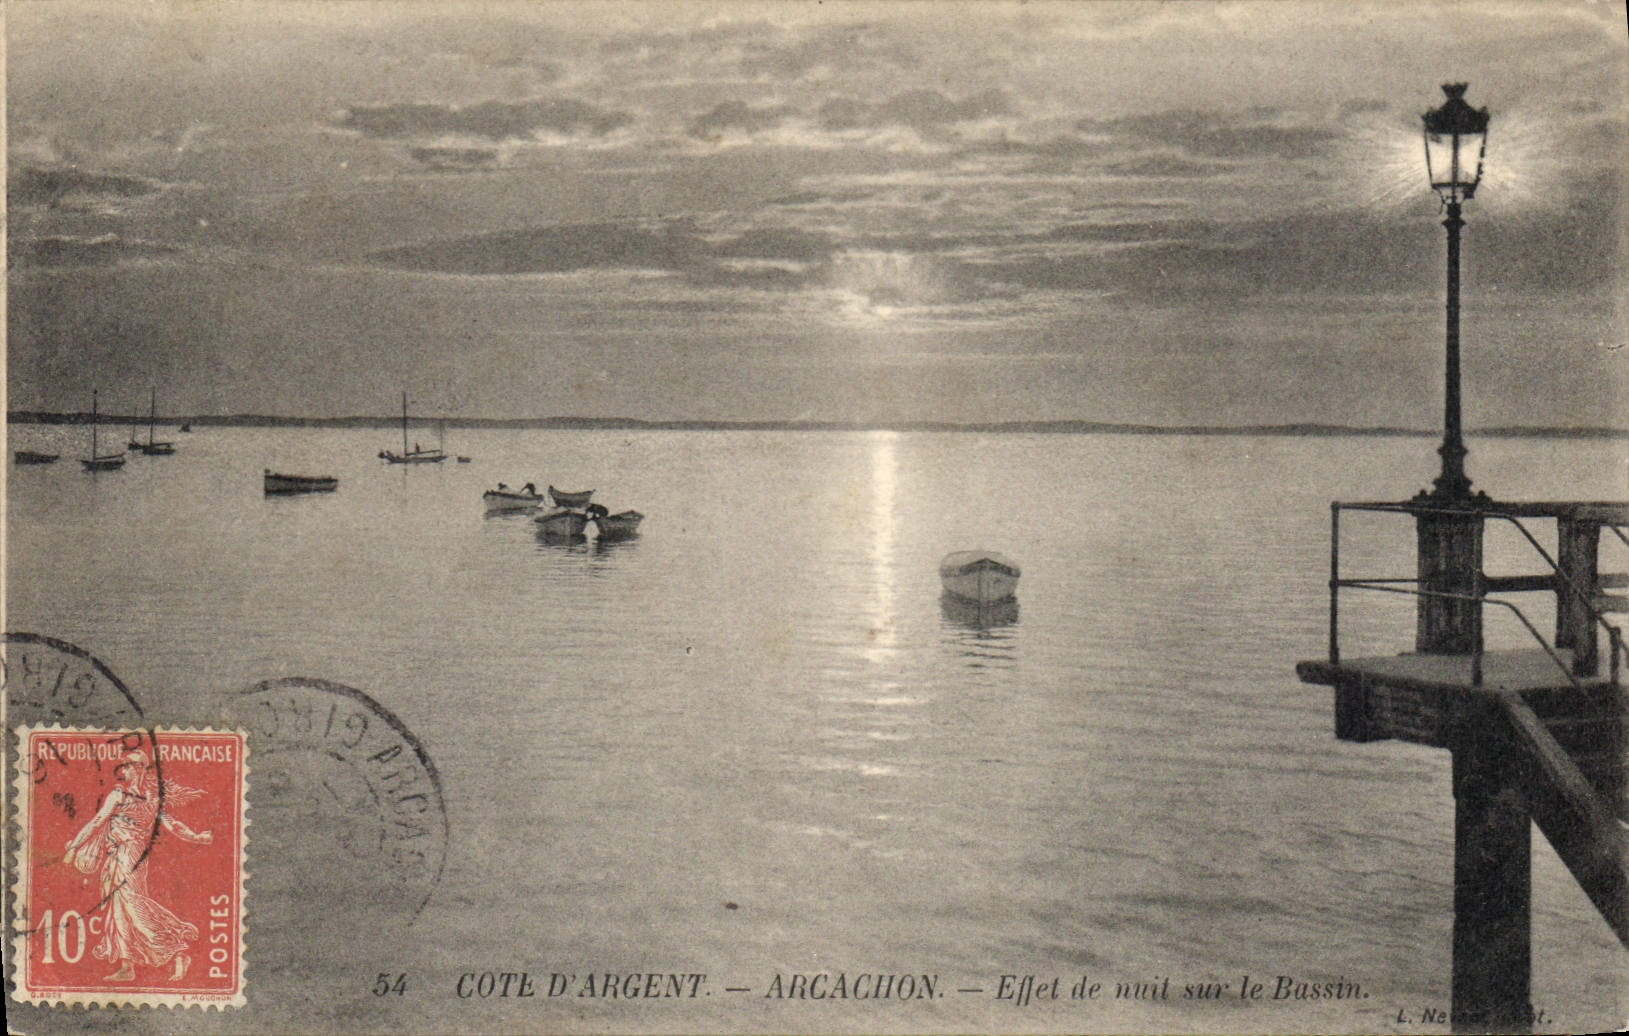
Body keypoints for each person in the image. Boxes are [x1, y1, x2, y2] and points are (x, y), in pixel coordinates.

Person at [63, 748, 212, 982]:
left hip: (130, 853)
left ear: (140, 769)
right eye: (124, 766)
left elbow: (172, 824)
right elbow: (96, 822)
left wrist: (196, 837)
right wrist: (75, 846)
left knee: (132, 904)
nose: (124, 770)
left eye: (129, 765)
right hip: (117, 855)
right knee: (119, 908)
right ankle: (127, 965)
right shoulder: (120, 795)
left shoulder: (145, 799)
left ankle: (177, 950)